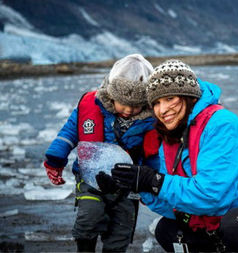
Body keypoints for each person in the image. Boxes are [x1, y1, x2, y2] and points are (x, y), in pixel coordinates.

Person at [100, 59, 238, 252]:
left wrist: (154, 180)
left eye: (169, 99)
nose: (162, 109)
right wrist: (139, 186)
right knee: (168, 230)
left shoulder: (221, 125)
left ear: (188, 96)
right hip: (229, 216)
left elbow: (213, 197)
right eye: (156, 102)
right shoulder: (171, 139)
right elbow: (177, 205)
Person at [43, 54, 159, 252]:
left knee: (121, 231)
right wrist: (55, 159)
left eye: (136, 105)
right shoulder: (90, 105)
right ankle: (85, 248)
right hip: (91, 179)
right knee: (89, 217)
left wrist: (150, 183)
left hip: (126, 185)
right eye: (123, 103)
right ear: (112, 95)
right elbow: (69, 132)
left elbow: (153, 156)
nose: (130, 109)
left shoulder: (150, 121)